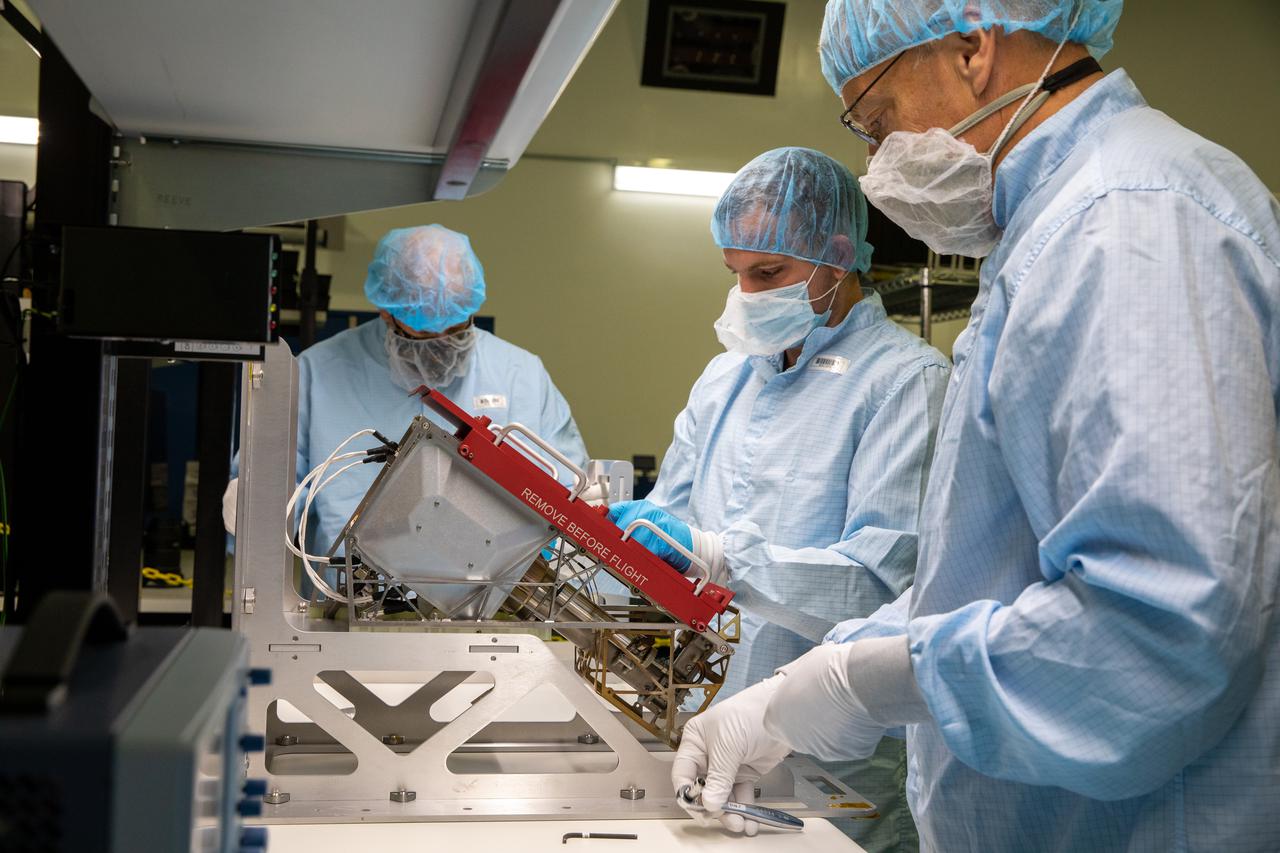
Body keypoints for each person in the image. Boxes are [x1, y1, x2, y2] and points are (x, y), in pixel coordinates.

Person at [675, 2, 1280, 850]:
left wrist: (863, 682)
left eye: (877, 121)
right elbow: (991, 576)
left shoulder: (1123, 224)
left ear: (972, 48)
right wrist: (809, 682)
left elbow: (1154, 637)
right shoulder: (1054, 229)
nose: (877, 164)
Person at [609, 147, 950, 851]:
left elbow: (882, 588)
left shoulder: (905, 383)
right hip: (706, 725)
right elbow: (669, 527)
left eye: (768, 274)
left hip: (837, 753)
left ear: (838, 258)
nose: (748, 295)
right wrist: (611, 543)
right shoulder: (724, 379)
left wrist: (719, 559)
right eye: (734, 274)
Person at [225, 224, 588, 558]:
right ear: (387, 313)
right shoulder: (319, 372)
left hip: (494, 593)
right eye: (423, 336)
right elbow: (276, 485)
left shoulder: (520, 374)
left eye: (456, 331)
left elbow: (569, 492)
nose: (441, 349)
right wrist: (255, 503)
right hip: (348, 593)